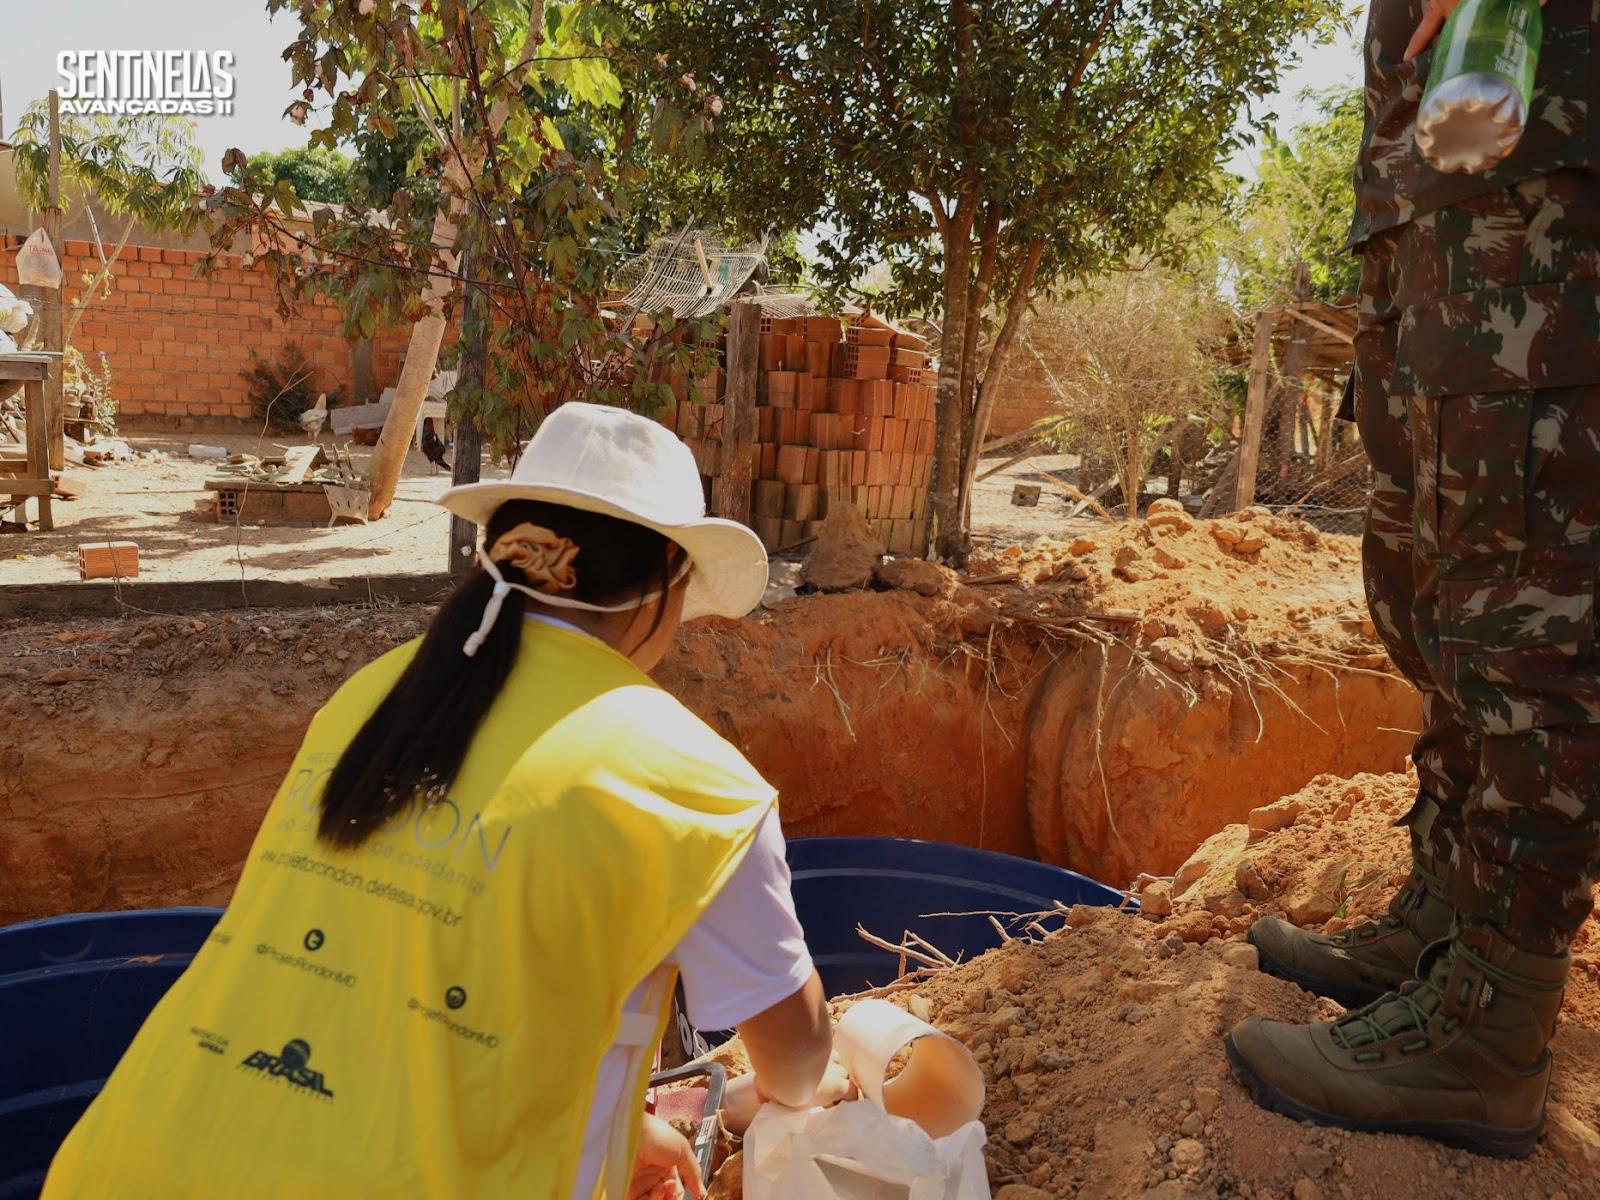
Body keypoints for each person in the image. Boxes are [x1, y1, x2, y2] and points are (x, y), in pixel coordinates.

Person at [43, 402, 841, 1198]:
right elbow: (797, 1052)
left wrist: (614, 1126)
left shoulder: (374, 696)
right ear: (667, 578)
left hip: (131, 1158)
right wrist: (796, 1099)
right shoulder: (691, 782)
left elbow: (382, 989)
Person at [1227, 0, 1598, 1158]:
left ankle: (1490, 1023)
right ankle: (1447, 918)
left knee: (1524, 601)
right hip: (1433, 180)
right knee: (1428, 583)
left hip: (1545, 159)